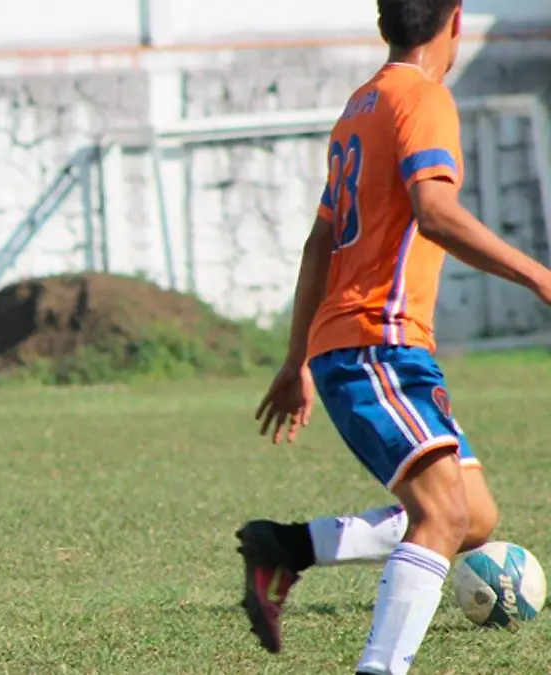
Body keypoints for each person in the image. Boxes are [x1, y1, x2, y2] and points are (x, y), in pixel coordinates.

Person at [237, 1, 551, 672]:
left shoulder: (361, 105)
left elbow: (320, 243)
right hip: (377, 343)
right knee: (443, 516)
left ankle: (286, 548)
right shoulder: (425, 98)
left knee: (473, 516)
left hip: (368, 344)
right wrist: (538, 275)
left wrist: (297, 359)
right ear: (456, 20)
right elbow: (433, 213)